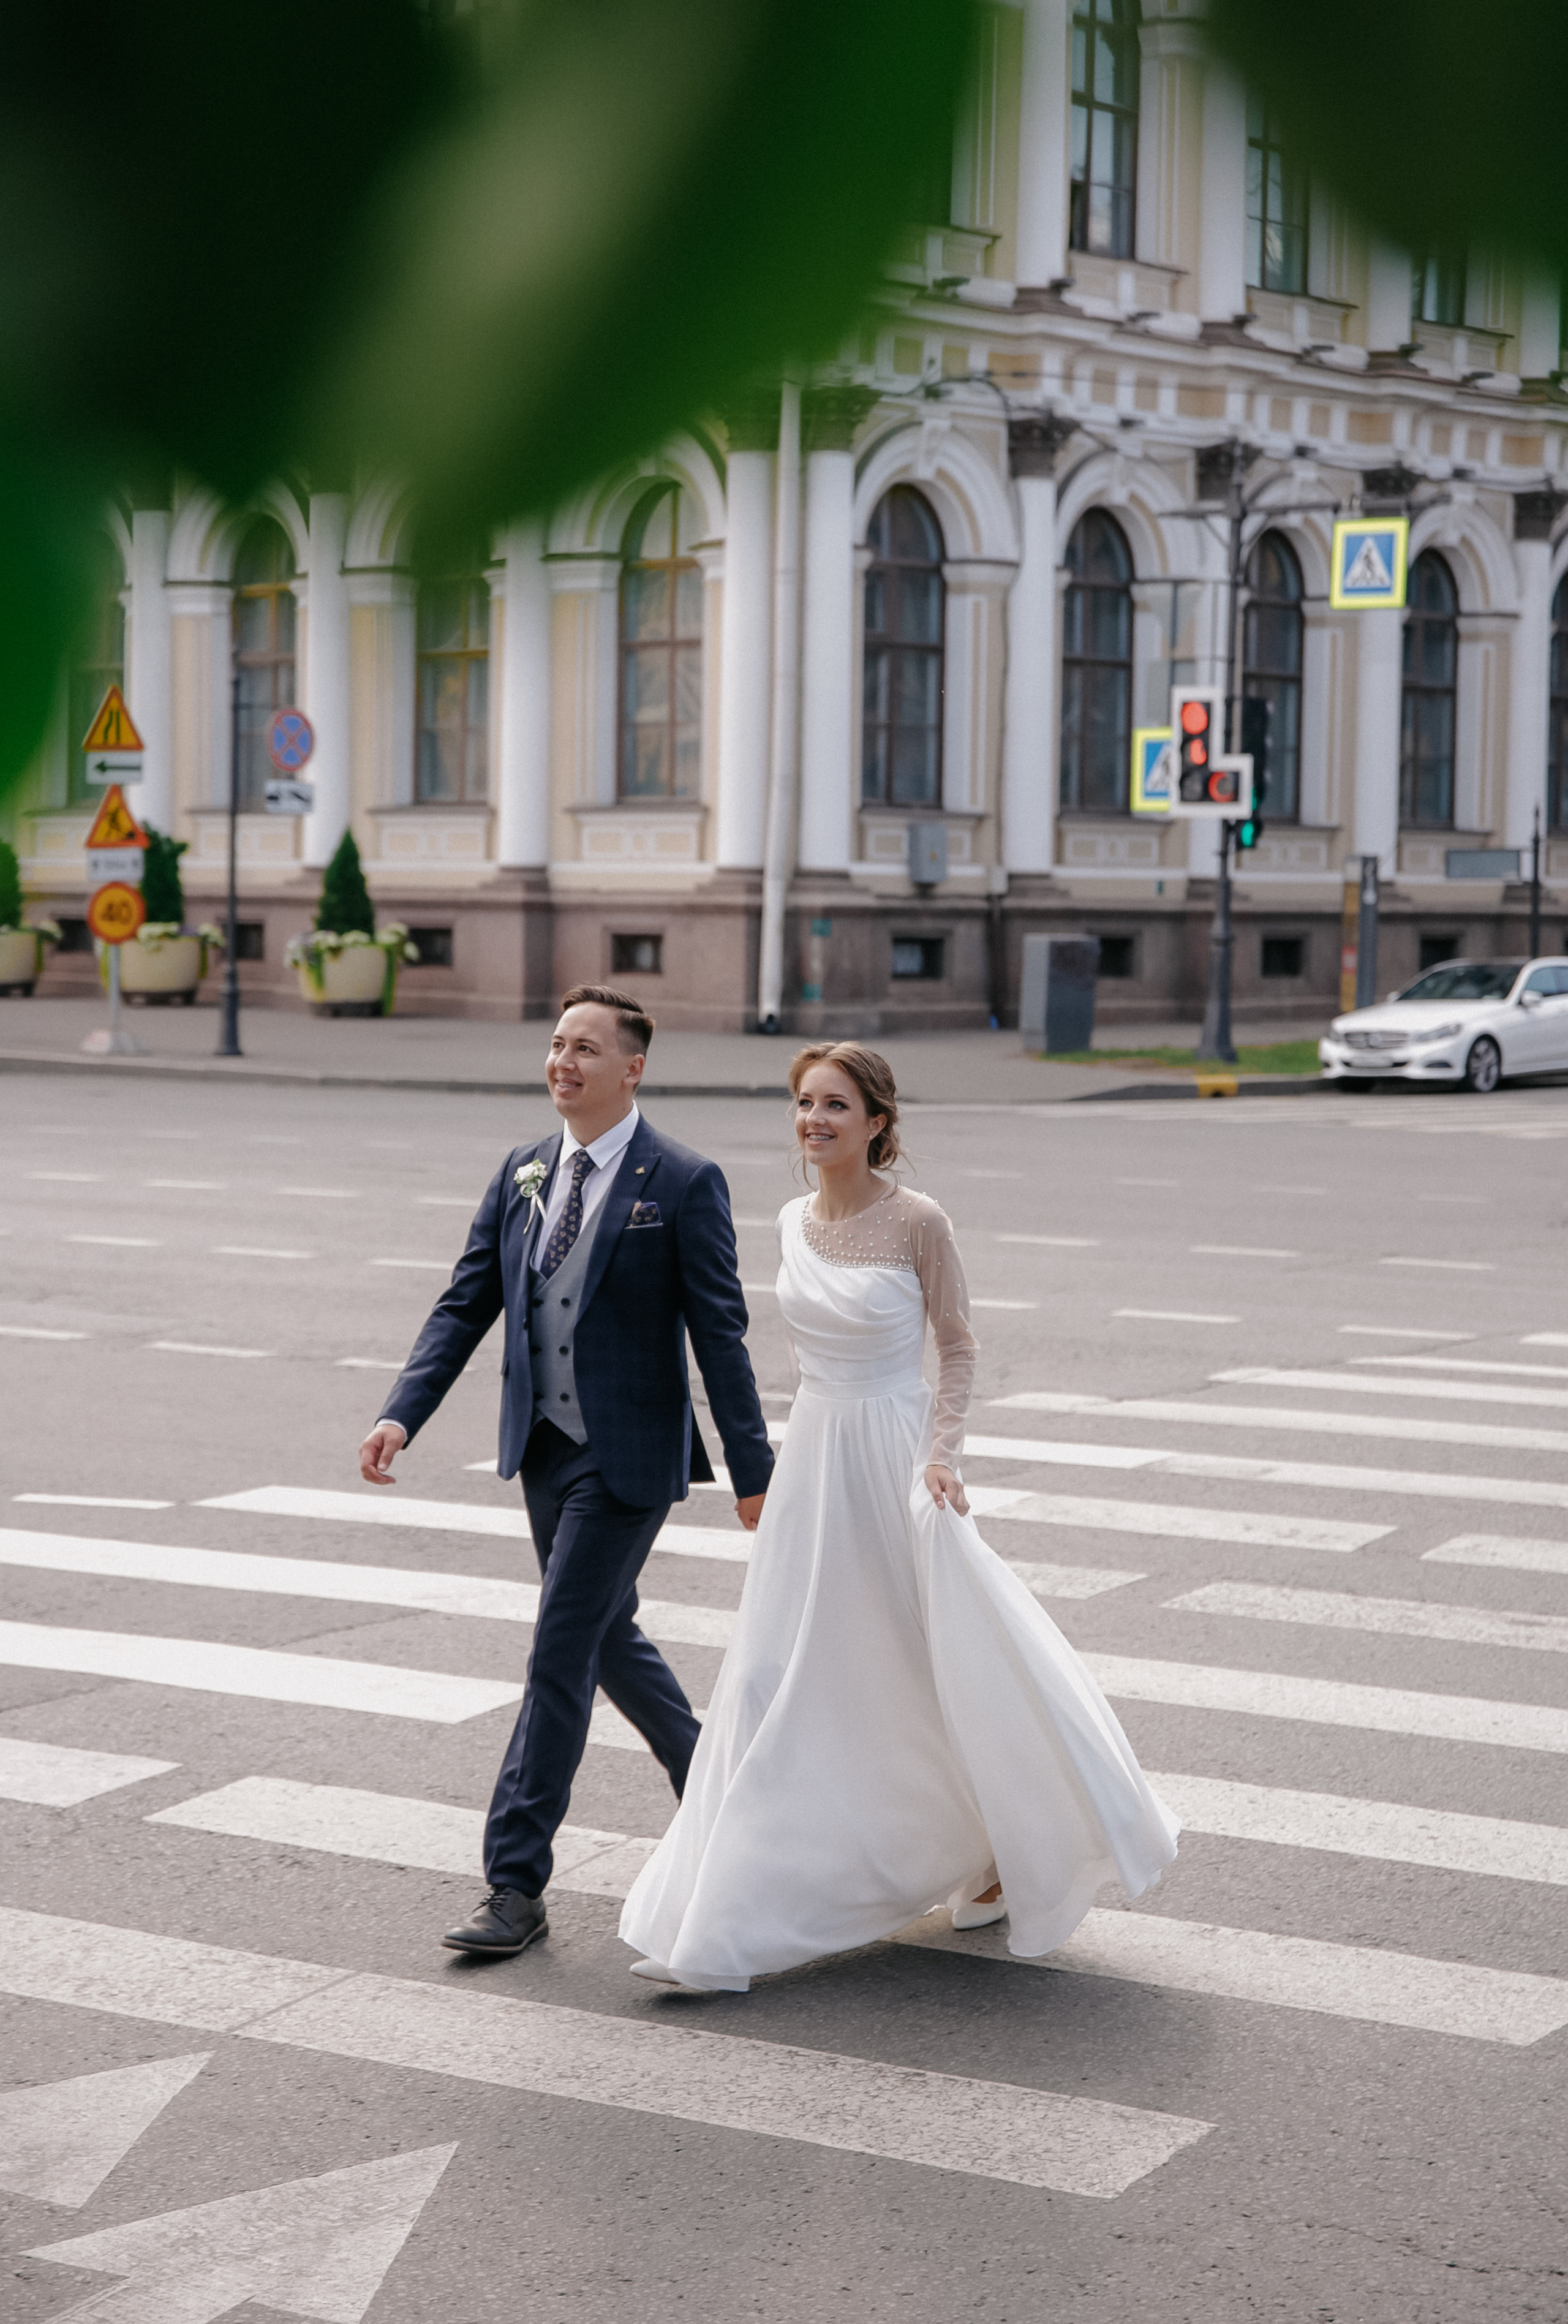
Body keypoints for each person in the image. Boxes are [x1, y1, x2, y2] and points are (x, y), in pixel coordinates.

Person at [620, 1040, 1178, 1992]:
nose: (815, 1120)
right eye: (805, 1104)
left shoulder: (919, 1221)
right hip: (815, 1462)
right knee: (768, 1674)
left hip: (897, 1457)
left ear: (877, 1122)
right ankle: (730, 1913)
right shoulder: (793, 1218)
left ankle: (1007, 1835)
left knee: (935, 1664)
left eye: (836, 1105)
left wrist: (941, 1456)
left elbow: (956, 1347)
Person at [358, 983, 774, 1960]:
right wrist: (399, 1412)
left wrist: (756, 1470)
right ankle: (725, 1790)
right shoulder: (524, 1171)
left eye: (586, 1047)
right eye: (555, 1044)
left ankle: (515, 1882)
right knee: (606, 1638)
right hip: (545, 1448)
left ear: (633, 1068)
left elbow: (721, 1332)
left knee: (558, 1646)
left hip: (627, 1458)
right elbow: (466, 1304)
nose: (563, 1061)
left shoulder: (681, 1180)